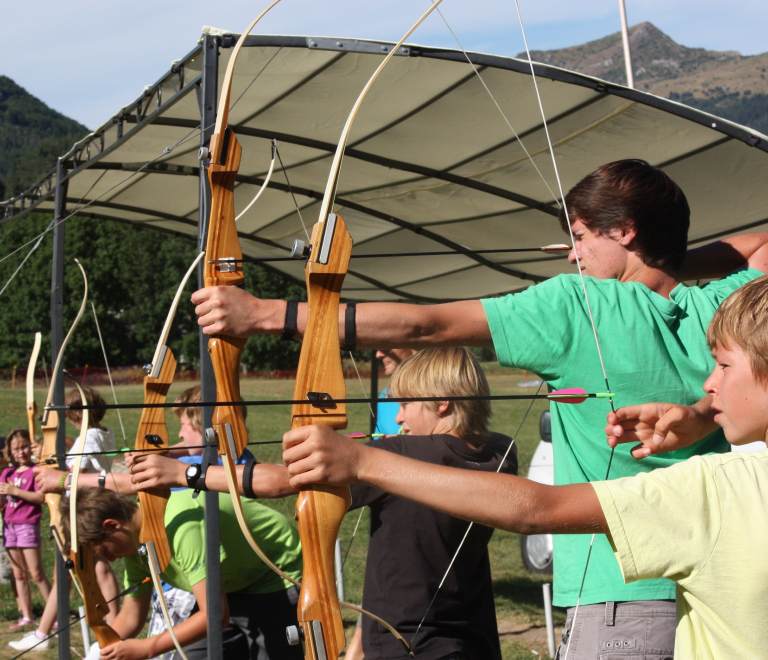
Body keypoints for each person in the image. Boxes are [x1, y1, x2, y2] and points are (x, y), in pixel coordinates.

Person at [191, 158, 768, 657]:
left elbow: (427, 323)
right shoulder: (724, 304)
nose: (572, 254)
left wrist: (266, 314)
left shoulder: (578, 304)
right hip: (714, 585)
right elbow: (760, 244)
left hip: (618, 597)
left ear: (625, 231)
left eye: (582, 235)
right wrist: (663, 268)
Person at [283, 273, 768, 660]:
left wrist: (360, 459)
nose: (708, 382)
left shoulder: (718, 488)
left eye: (724, 365)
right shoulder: (495, 448)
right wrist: (702, 420)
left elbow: (536, 509)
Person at [132, 348, 516, 660]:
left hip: (409, 647)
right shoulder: (500, 453)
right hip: (474, 640)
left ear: (442, 402)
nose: (398, 418)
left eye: (405, 404)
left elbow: (283, 481)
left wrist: (183, 474)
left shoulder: (403, 453)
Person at [60, 486, 303, 660]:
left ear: (112, 526)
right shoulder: (136, 548)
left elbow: (216, 616)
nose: (109, 559)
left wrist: (147, 649)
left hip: (275, 576)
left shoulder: (181, 527)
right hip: (229, 588)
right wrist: (99, 651)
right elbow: (132, 615)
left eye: (104, 550)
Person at [10, 387, 120, 652]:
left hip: (82, 506)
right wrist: (57, 447)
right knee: (81, 568)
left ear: (74, 414)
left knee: (82, 567)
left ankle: (48, 633)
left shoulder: (89, 438)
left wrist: (44, 462)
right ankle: (46, 632)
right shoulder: (102, 433)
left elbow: (74, 472)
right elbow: (81, 449)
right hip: (90, 505)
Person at [0, 429, 51, 630]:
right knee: (19, 574)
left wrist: (15, 491)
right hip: (9, 527)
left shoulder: (36, 470)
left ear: (31, 446)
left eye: (24, 447)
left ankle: (53, 614)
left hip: (27, 525)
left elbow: (41, 498)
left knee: (36, 574)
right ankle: (27, 617)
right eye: (16, 449)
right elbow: (3, 503)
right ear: (10, 451)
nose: (20, 452)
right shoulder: (7, 473)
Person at [373, 349, 417, 436]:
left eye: (386, 346)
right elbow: (378, 438)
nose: (378, 354)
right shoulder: (384, 395)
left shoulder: (440, 390)